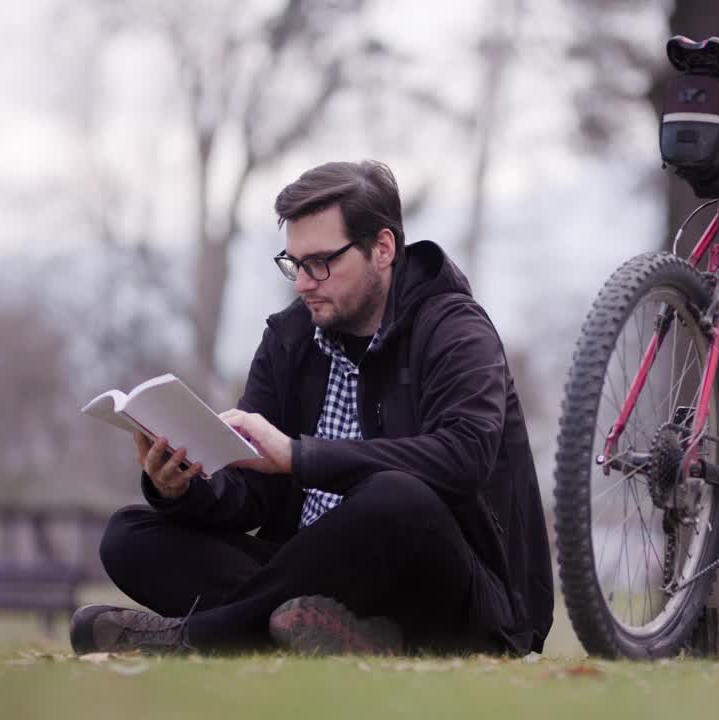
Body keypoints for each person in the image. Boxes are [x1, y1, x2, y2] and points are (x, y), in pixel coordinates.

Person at [70, 160, 553, 656]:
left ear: (382, 249)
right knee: (130, 536)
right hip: (305, 579)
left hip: (451, 592)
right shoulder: (290, 338)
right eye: (295, 263)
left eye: (321, 262)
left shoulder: (454, 327)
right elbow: (250, 492)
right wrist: (182, 487)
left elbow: (464, 456)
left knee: (396, 498)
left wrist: (300, 457)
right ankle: (326, 633)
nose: (303, 283)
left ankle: (199, 636)